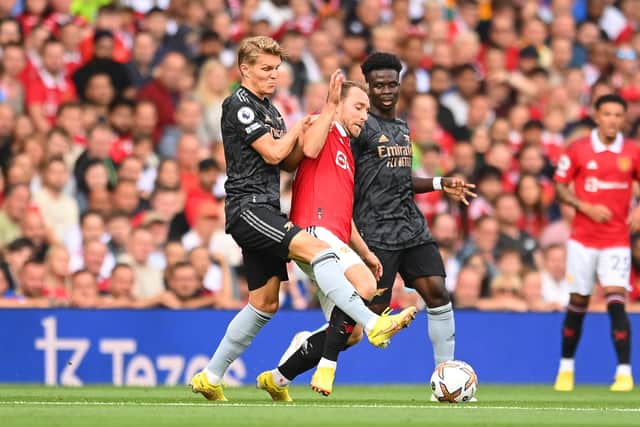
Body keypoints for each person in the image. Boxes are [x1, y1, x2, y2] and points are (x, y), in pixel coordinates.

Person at [189, 37, 418, 402]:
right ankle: (374, 322)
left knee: (264, 304)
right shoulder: (240, 105)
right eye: (266, 69)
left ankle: (211, 376)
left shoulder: (272, 112)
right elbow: (276, 150)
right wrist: (303, 125)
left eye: (276, 69)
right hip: (249, 207)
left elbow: (291, 160)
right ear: (244, 69)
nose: (273, 75)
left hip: (267, 209)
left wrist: (300, 129)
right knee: (316, 249)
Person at [273, 52, 476, 399]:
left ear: (400, 85)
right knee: (361, 319)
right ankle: (291, 365)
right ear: (367, 87)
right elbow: (325, 157)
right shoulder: (357, 127)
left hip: (410, 225)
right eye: (378, 85)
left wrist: (441, 183)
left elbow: (397, 179)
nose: (385, 90)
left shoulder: (401, 127)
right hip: (373, 228)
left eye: (391, 84)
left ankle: (445, 382)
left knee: (438, 294)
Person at [256, 73, 389, 400]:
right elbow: (309, 149)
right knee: (366, 287)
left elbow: (344, 215)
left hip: (335, 235)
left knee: (350, 333)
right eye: (358, 107)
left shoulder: (346, 147)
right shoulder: (324, 124)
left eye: (367, 110)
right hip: (313, 232)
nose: (364, 116)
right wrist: (328, 108)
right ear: (339, 104)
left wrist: (366, 252)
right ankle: (331, 362)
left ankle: (278, 377)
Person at [553, 94, 640, 392]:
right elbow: (560, 186)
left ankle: (625, 373)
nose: (613, 120)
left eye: (618, 115)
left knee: (617, 299)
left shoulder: (632, 151)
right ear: (596, 116)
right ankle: (566, 369)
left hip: (616, 239)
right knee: (579, 300)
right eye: (608, 114)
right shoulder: (578, 149)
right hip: (583, 240)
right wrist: (585, 206)